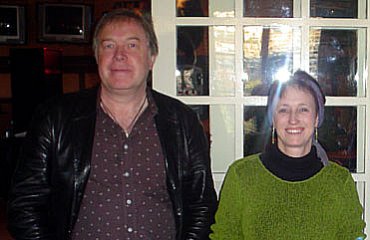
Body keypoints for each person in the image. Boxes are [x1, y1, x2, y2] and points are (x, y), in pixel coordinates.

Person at [7, 9, 217, 240]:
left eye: (132, 45)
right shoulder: (54, 119)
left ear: (152, 57)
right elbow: (24, 205)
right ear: (96, 55)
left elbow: (201, 205)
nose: (119, 55)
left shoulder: (182, 121)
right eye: (108, 46)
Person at [210, 70, 366, 239]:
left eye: (303, 109)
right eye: (283, 110)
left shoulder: (339, 181)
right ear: (273, 118)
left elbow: (353, 236)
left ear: (316, 118)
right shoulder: (241, 175)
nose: (293, 119)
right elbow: (224, 236)